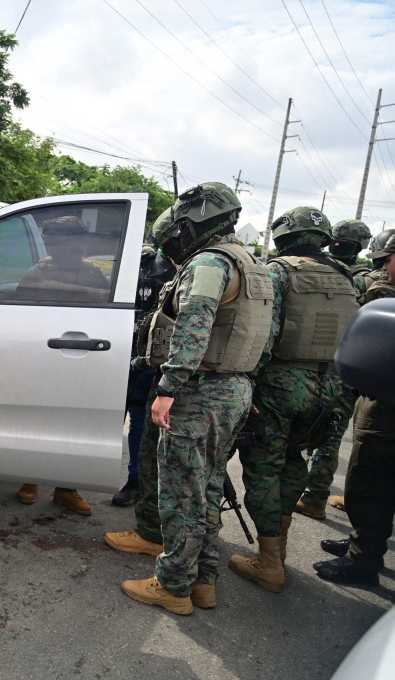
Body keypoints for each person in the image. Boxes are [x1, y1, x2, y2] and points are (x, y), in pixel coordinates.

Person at [120, 181, 272, 616]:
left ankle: (173, 586)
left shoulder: (209, 263)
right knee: (205, 488)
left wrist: (169, 387)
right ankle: (204, 580)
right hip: (235, 388)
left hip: (199, 390)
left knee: (183, 493)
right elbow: (264, 334)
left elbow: (195, 325)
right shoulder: (252, 263)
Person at [229, 207, 359, 594]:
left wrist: (246, 383)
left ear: (284, 234)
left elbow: (263, 336)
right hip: (331, 387)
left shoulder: (279, 271)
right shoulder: (346, 276)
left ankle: (269, 562)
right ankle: (278, 548)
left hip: (282, 384)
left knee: (263, 467)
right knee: (293, 461)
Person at [314, 240, 395, 585]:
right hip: (380, 395)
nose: (385, 268)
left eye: (388, 261)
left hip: (387, 406)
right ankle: (363, 543)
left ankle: (363, 561)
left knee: (371, 480)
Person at [14, 215, 104, 516]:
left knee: (74, 427)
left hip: (83, 358)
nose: (66, 247)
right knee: (38, 422)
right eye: (57, 241)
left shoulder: (95, 275)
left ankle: (67, 488)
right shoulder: (36, 274)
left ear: (82, 243)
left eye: (72, 241)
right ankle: (31, 479)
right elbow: (19, 320)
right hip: (44, 359)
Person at [295, 219, 372, 519]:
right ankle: (312, 492)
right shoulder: (364, 279)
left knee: (321, 431)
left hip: (318, 363)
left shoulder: (315, 268)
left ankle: (313, 497)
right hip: (348, 366)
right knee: (328, 431)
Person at [115, 238, 175, 507]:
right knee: (105, 418)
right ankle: (70, 480)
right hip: (115, 352)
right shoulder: (139, 263)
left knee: (140, 422)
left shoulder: (187, 269)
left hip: (151, 362)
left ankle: (136, 481)